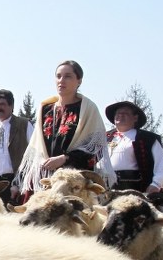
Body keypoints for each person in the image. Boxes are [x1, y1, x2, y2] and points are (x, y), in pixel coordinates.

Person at [18, 60, 114, 195]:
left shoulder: (88, 108)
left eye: (68, 76)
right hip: (46, 177)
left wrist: (65, 158)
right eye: (58, 76)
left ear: (79, 81)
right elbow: (36, 148)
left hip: (75, 181)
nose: (61, 80)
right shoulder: (45, 108)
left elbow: (96, 146)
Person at [104, 100, 163, 196]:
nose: (120, 115)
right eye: (118, 113)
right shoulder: (104, 138)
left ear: (135, 118)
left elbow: (162, 165)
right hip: (106, 189)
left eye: (125, 113)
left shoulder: (148, 139)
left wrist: (156, 184)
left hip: (135, 189)